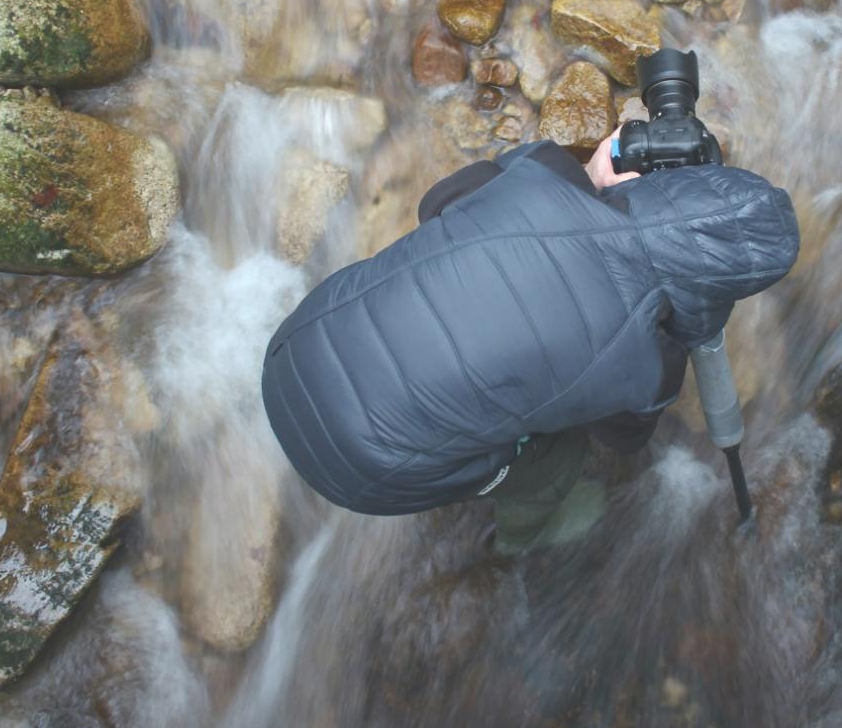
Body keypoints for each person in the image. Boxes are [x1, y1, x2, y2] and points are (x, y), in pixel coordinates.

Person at [260, 127, 800, 554]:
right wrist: (679, 327)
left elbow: (436, 204)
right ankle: (527, 529)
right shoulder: (648, 364)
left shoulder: (544, 170)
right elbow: (624, 438)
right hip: (363, 471)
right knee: (557, 452)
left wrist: (587, 183)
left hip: (297, 345)